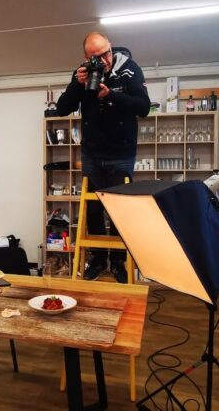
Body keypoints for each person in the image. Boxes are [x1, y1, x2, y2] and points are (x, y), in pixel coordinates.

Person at [56, 32, 151, 283]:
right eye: (96, 57)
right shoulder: (82, 74)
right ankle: (98, 259)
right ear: (87, 57)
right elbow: (62, 108)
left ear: (111, 48)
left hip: (121, 153)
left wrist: (110, 95)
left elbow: (143, 107)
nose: (104, 60)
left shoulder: (129, 70)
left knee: (120, 209)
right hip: (92, 153)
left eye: (106, 53)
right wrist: (77, 84)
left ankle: (118, 262)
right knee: (94, 209)